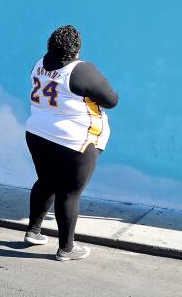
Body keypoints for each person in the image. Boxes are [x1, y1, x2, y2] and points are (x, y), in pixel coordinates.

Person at [23, 25, 119, 261]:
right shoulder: (81, 71)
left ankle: (33, 231)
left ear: (50, 46)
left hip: (37, 133)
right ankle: (66, 249)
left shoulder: (39, 63)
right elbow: (112, 100)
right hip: (73, 142)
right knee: (69, 194)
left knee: (45, 182)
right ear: (77, 49)